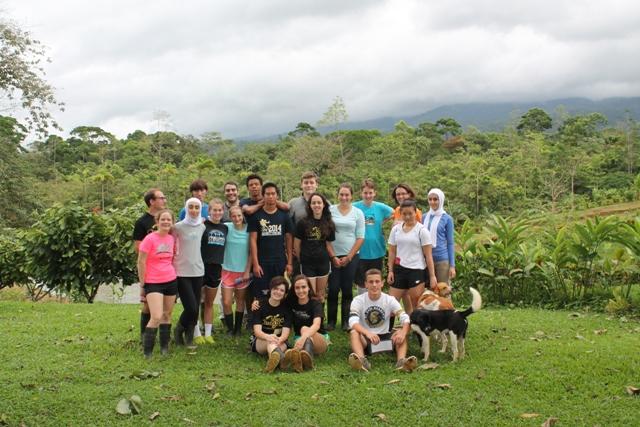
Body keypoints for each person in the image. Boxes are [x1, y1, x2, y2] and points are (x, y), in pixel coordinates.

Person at [347, 269, 417, 372]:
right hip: (366, 339)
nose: (374, 285)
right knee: (354, 332)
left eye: (377, 281)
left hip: (386, 337)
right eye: (371, 282)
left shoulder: (390, 300)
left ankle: (401, 362)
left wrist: (403, 332)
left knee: (400, 332)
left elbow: (405, 318)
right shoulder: (358, 300)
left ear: (382, 283)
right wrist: (368, 333)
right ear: (366, 284)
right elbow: (353, 321)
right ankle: (362, 362)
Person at [137, 209, 178, 358]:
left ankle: (164, 348)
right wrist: (143, 284)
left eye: (169, 220)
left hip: (171, 280)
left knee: (167, 315)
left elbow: (171, 259)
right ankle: (147, 351)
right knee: (156, 315)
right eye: (163, 219)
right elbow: (141, 262)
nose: (166, 222)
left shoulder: (171, 238)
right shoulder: (150, 239)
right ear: (157, 221)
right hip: (153, 282)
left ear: (172, 222)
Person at [387, 199, 437, 313]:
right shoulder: (395, 230)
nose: (408, 216)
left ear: (416, 213)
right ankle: (387, 330)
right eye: (404, 214)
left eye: (410, 213)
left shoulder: (422, 231)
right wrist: (390, 271)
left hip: (417, 270)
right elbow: (392, 252)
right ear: (400, 214)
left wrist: (432, 276)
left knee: (416, 304)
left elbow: (428, 255)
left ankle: (415, 329)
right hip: (399, 269)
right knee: (392, 303)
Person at [327, 183, 364, 332]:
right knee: (333, 288)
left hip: (351, 256)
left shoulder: (357, 213)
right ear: (338, 195)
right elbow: (325, 236)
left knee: (347, 289)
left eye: (347, 195)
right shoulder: (330, 211)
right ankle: (330, 321)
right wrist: (333, 256)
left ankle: (346, 322)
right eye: (341, 194)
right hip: (332, 256)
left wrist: (349, 256)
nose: (344, 197)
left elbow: (360, 237)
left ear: (351, 196)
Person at [247, 182, 294, 302]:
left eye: (273, 193)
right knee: (261, 293)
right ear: (263, 196)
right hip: (262, 262)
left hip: (279, 261)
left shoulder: (284, 216)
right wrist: (256, 264)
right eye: (267, 194)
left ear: (277, 196)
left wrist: (289, 263)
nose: (270, 196)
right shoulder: (256, 216)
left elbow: (289, 239)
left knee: (278, 292)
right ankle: (259, 319)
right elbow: (252, 240)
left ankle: (278, 319)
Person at [133, 188, 166, 342]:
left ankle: (162, 336)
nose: (164, 200)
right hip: (150, 269)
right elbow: (138, 249)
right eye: (161, 198)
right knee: (147, 304)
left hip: (165, 270)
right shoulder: (141, 222)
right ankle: (144, 335)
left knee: (165, 305)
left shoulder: (166, 219)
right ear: (152, 201)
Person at [173, 198, 206, 348]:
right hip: (181, 271)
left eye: (196, 207)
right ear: (186, 209)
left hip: (198, 271)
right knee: (191, 307)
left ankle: (189, 338)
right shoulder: (177, 227)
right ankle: (179, 329)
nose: (194, 210)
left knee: (196, 307)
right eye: (191, 207)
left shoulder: (202, 227)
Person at [194, 198, 228, 345]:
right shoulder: (202, 225)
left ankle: (208, 333)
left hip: (216, 268)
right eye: (214, 210)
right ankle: (196, 332)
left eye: (220, 210)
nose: (217, 212)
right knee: (195, 302)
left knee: (209, 302)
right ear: (209, 211)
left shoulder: (225, 228)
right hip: (201, 267)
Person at [293, 192, 336, 304]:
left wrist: (333, 257)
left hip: (323, 262)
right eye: (314, 203)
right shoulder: (303, 223)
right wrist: (300, 258)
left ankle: (320, 320)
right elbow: (296, 244)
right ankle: (311, 320)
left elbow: (329, 244)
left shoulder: (329, 223)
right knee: (310, 294)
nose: (316, 205)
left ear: (324, 205)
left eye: (319, 202)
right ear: (310, 206)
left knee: (320, 295)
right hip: (307, 263)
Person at [353, 179, 393, 295]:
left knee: (376, 281)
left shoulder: (380, 207)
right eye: (365, 193)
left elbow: (395, 213)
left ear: (374, 193)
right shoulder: (355, 207)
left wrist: (383, 221)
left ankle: (375, 306)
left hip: (377, 251)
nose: (368, 195)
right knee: (362, 282)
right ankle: (361, 307)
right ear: (361, 193)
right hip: (360, 251)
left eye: (370, 193)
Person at [287, 275, 329, 371]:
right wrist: (257, 302)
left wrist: (303, 337)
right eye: (297, 288)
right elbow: (274, 300)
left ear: (309, 287)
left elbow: (316, 325)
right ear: (293, 289)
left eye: (303, 287)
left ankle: (306, 358)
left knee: (304, 328)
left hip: (319, 338)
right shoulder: (290, 302)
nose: (301, 290)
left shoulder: (315, 304)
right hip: (300, 339)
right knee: (300, 340)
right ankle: (303, 360)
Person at [251, 276, 292, 373]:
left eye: (282, 290)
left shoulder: (287, 308)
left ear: (285, 294)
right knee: (271, 342)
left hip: (280, 340)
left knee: (274, 345)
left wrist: (279, 340)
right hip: (261, 340)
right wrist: (268, 337)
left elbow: (285, 334)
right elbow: (257, 332)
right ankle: (283, 361)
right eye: (275, 288)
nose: (278, 292)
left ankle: (276, 360)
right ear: (270, 289)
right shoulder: (259, 305)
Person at [221, 205, 252, 336]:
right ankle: (230, 328)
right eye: (233, 216)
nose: (237, 218)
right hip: (227, 270)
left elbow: (251, 253)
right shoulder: (226, 227)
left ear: (243, 215)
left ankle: (238, 329)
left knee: (240, 301)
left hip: (242, 272)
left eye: (239, 215)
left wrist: (247, 271)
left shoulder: (249, 230)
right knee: (227, 302)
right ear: (230, 217)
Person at [422, 188, 456, 285]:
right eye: (430, 199)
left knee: (443, 291)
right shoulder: (424, 217)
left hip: (441, 260)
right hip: (426, 260)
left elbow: (450, 243)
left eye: (435, 199)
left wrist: (452, 266)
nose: (432, 202)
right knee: (428, 292)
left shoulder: (447, 219)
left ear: (441, 200)